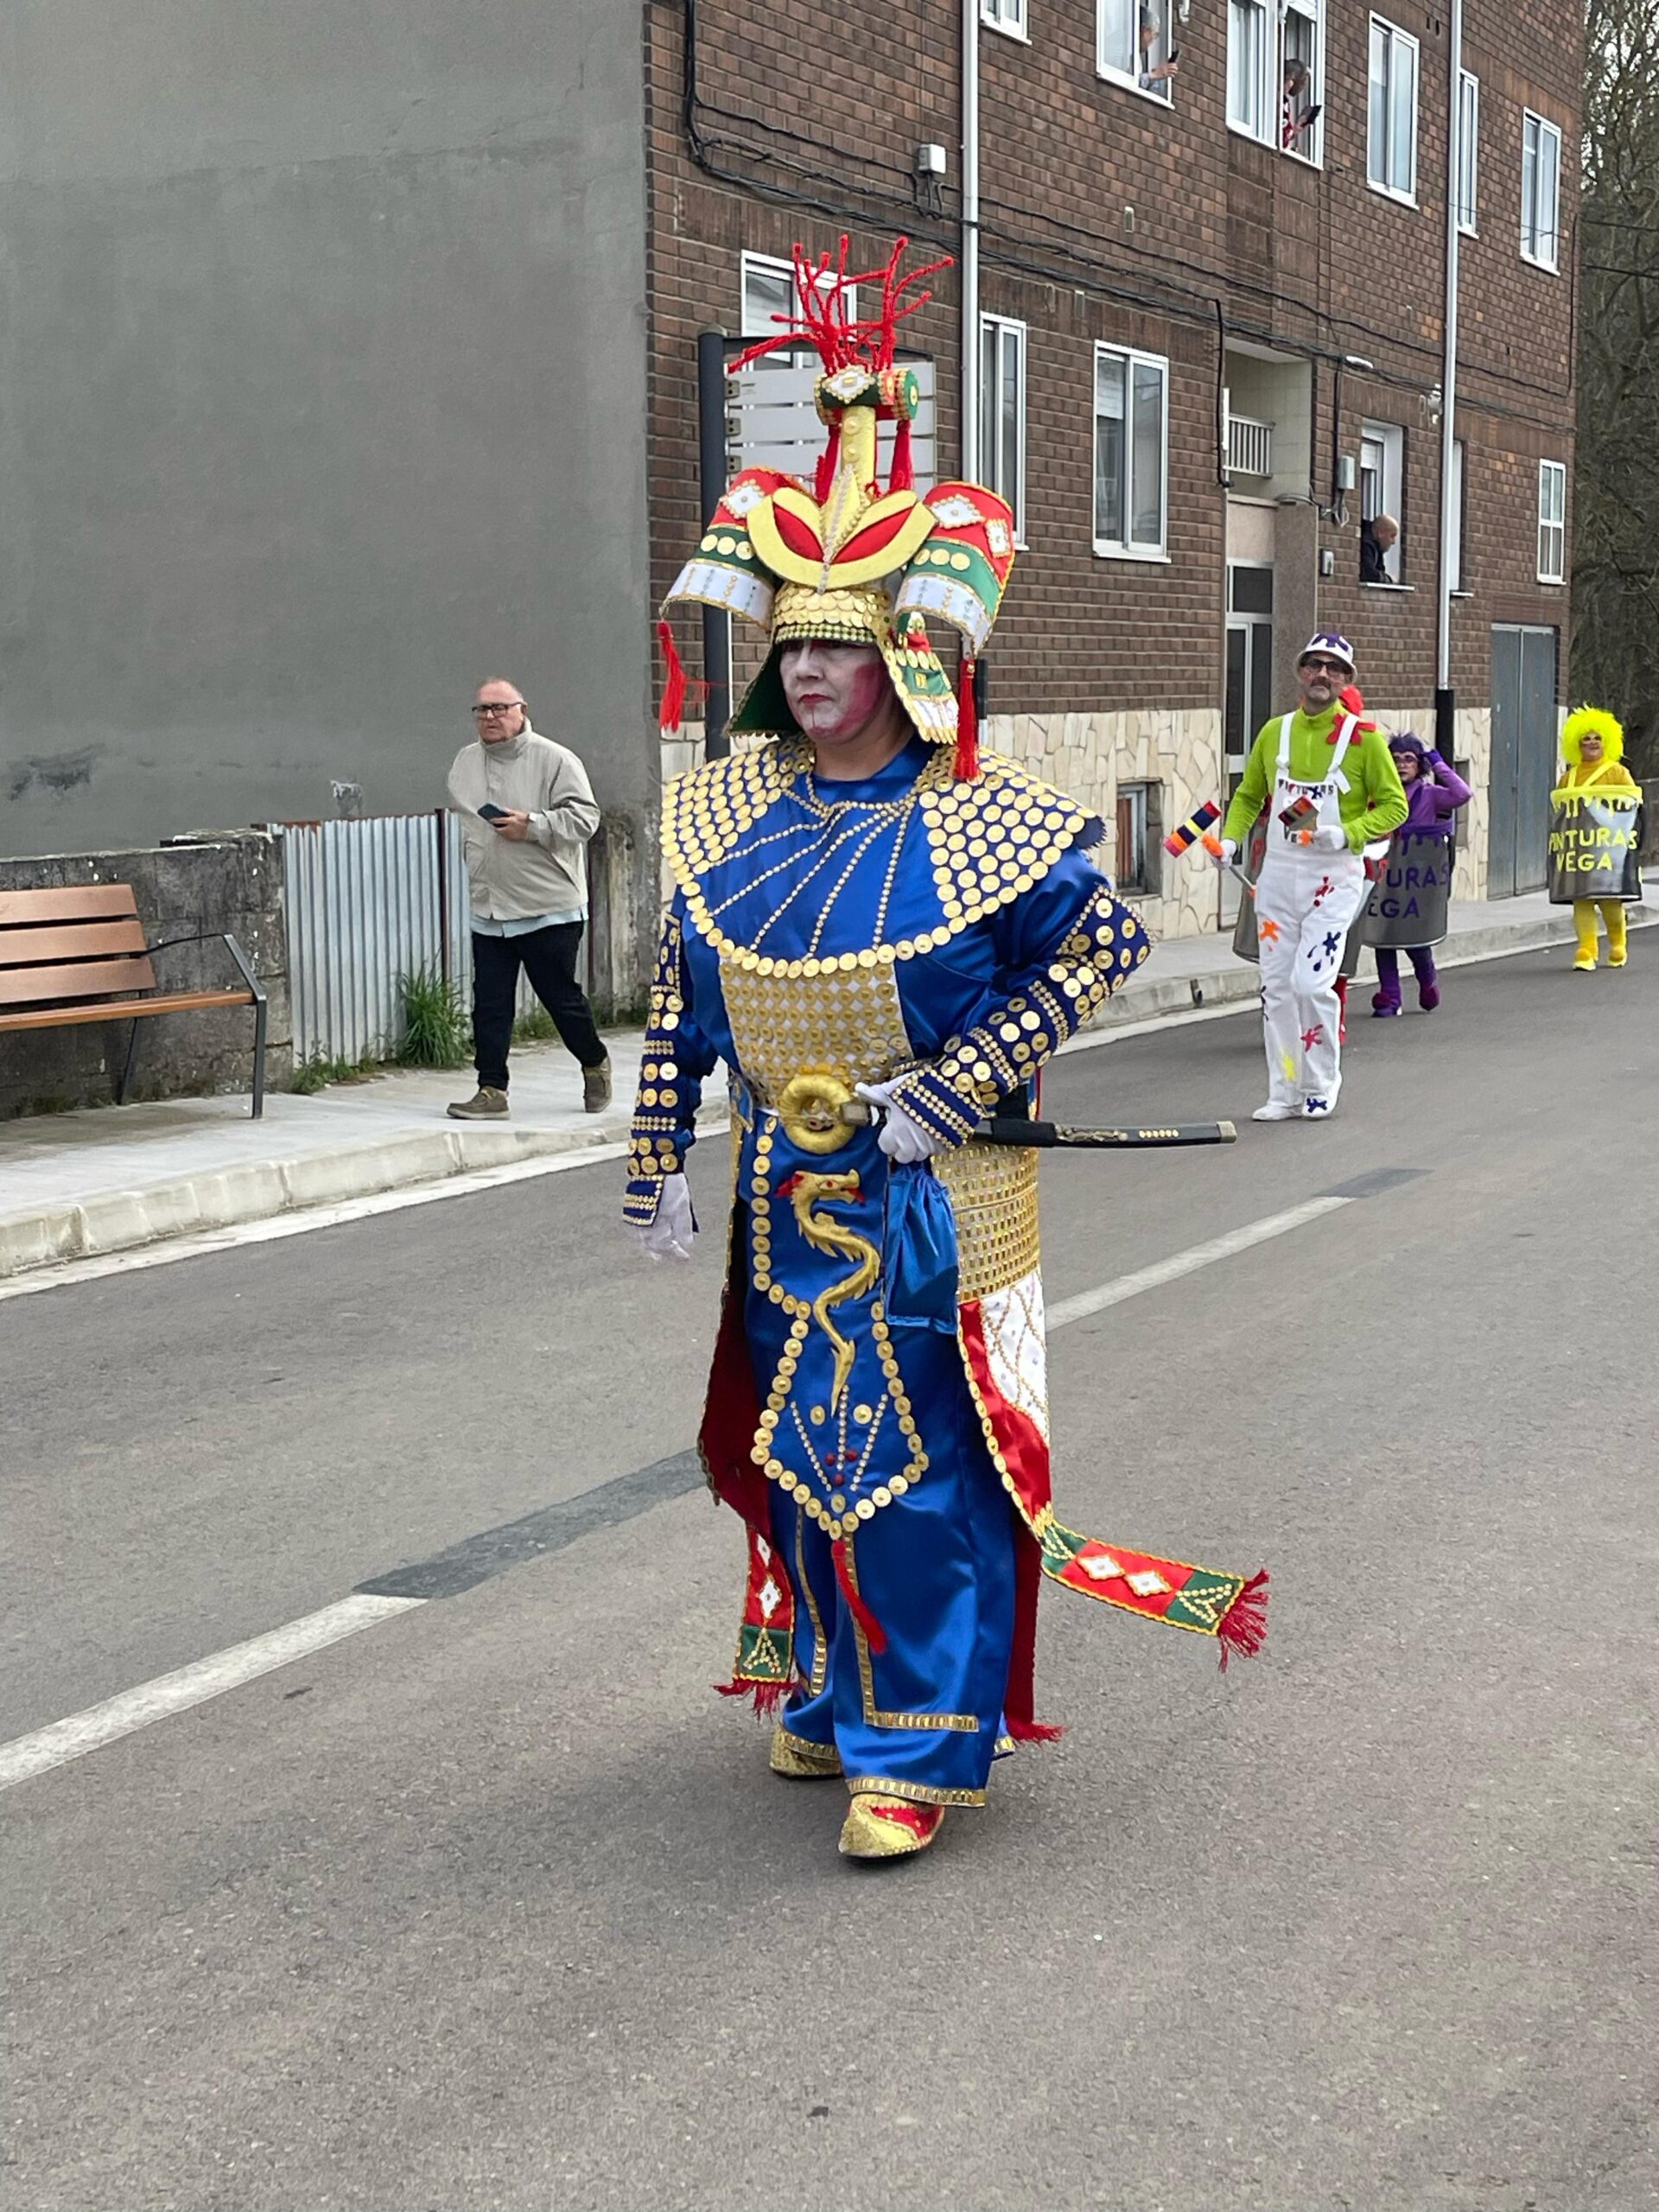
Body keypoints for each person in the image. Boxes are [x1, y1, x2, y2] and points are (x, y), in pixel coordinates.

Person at [627, 240, 1266, 1863]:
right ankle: (835, 1696)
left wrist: (964, 1079)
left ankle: (919, 1740)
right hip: (788, 1186)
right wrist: (655, 1154)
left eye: (838, 645)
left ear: (910, 659)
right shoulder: (721, 812)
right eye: (791, 647)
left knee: (917, 1465)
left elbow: (1105, 942)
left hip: (935, 1194)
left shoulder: (992, 823)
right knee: (800, 1449)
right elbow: (679, 986)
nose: (811, 667)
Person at [1216, 632, 1407, 1120]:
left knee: (1311, 982)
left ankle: (1321, 1080)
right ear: (1301, 671)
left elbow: (1394, 806)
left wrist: (1347, 834)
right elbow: (1248, 795)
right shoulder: (1275, 732)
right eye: (1315, 665)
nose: (1323, 675)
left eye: (1334, 668)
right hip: (1278, 875)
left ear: (1346, 680)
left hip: (1333, 878)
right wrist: (1232, 841)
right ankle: (1284, 1088)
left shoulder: (1364, 740)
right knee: (1275, 987)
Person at [445, 678, 611, 1119]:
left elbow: (586, 818)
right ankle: (491, 1090)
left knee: (561, 999)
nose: (490, 718)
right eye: (481, 710)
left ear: (521, 710)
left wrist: (533, 825)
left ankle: (594, 1062)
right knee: (490, 1005)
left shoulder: (554, 759)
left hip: (547, 905)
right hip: (490, 905)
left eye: (500, 708)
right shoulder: (464, 762)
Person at [1370, 734, 1471, 1014]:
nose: (1402, 765)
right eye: (1396, 759)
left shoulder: (1430, 795)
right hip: (1386, 877)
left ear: (1419, 765)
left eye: (1409, 760)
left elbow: (1462, 794)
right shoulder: (1377, 796)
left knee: (1415, 939)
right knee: (1383, 935)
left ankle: (1427, 980)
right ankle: (1390, 997)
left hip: (1416, 883)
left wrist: (1437, 763)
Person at [1555, 707, 1642, 971]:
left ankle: (1618, 943)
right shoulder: (1568, 777)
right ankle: (1587, 950)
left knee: (1609, 899)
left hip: (1608, 848)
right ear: (1576, 743)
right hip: (1579, 849)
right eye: (1585, 738)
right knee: (1581, 898)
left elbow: (1632, 804)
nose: (1591, 742)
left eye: (1597, 738)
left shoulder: (1617, 773)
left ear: (1607, 741)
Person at [1360, 513, 1398, 584]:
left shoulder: (1377, 546)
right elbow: (1369, 574)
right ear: (1380, 533)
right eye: (1392, 536)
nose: (1393, 542)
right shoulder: (1366, 545)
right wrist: (1389, 579)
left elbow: (1380, 570)